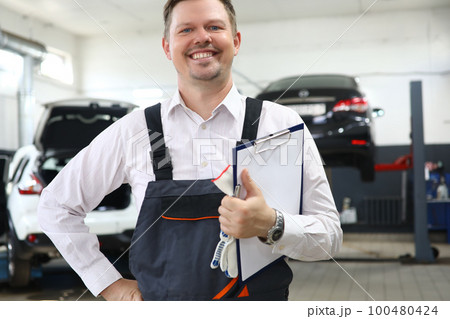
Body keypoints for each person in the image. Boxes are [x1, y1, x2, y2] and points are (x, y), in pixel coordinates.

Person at [38, 0, 342, 301]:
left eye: (214, 26)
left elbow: (329, 237)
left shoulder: (280, 126)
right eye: (186, 29)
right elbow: (55, 206)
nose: (202, 37)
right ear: (167, 47)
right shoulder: (135, 131)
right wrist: (111, 286)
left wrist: (272, 224)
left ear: (235, 41)